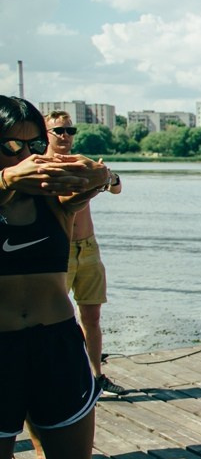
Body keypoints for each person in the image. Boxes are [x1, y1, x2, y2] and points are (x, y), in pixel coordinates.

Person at [0, 95, 138, 459]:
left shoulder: (54, 201)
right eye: (14, 144)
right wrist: (7, 179)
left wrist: (100, 174)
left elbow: (105, 180)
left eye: (37, 143)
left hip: (56, 350)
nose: (30, 153)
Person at [45, 111, 126, 396]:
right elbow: (65, 199)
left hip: (88, 247)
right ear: (45, 134)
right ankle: (54, 378)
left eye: (70, 130)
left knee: (91, 316)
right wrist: (95, 183)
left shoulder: (83, 163)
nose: (65, 136)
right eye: (58, 131)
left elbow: (117, 188)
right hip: (60, 248)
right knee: (54, 318)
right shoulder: (40, 166)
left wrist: (107, 177)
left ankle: (96, 377)